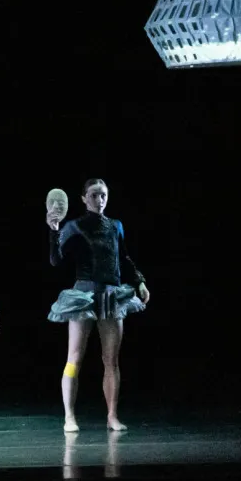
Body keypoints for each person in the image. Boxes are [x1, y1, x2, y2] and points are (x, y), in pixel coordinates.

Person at [48, 178, 152, 432]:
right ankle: (69, 416)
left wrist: (139, 281)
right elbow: (56, 261)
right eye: (94, 195)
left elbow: (123, 257)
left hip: (111, 294)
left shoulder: (116, 225)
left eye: (103, 194)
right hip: (84, 295)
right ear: (84, 198)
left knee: (111, 359)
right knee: (74, 357)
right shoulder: (74, 226)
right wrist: (53, 230)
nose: (100, 199)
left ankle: (112, 416)